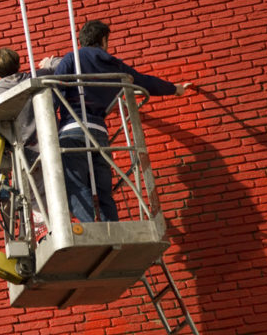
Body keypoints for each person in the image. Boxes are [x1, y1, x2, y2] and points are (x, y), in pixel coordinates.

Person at [53, 20, 192, 222]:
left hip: (72, 130)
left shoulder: (72, 59)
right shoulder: (114, 65)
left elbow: (55, 93)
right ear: (103, 40)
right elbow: (145, 82)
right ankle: (112, 229)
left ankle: (95, 230)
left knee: (74, 186)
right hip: (99, 133)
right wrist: (175, 88)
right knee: (103, 191)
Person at [0, 48, 59, 228]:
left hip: (23, 155)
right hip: (52, 146)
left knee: (33, 199)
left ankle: (44, 232)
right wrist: (49, 63)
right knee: (59, 190)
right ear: (18, 63)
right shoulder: (36, 78)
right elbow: (67, 64)